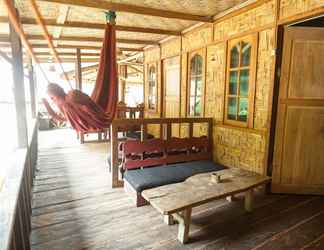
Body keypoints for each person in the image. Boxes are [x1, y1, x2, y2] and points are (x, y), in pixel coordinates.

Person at [42, 83, 111, 132]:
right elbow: (61, 118)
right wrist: (47, 105)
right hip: (92, 121)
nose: (53, 100)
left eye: (52, 97)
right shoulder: (65, 105)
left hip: (98, 119)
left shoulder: (72, 96)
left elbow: (90, 108)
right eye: (51, 98)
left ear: (57, 94)